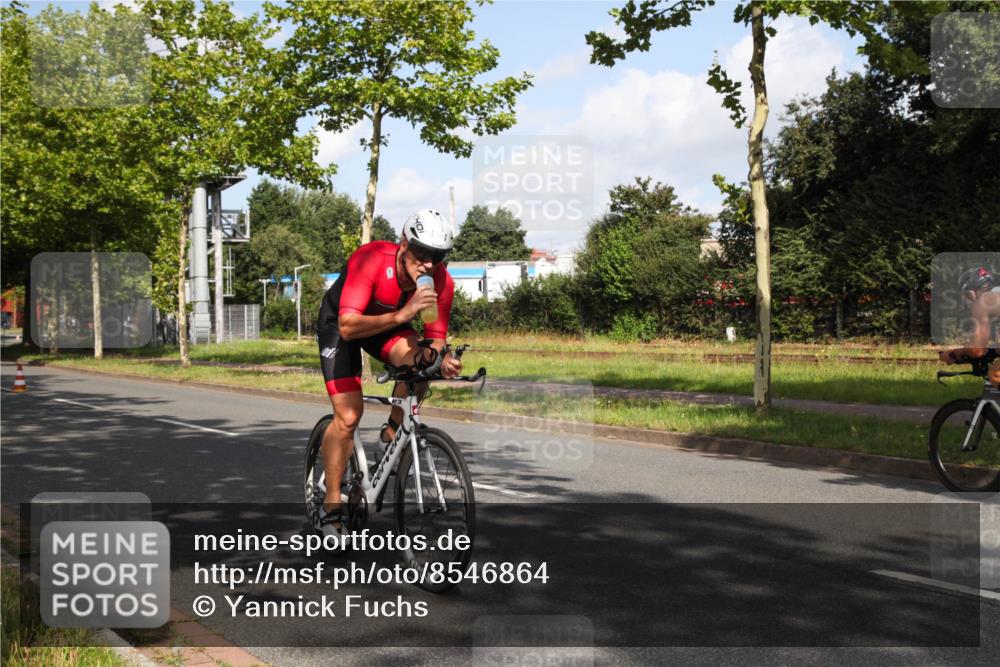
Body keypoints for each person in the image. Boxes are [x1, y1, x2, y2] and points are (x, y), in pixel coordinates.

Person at [315, 209, 462, 536]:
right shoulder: (372, 259)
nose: (427, 263)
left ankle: (391, 434)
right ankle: (331, 503)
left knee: (425, 362)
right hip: (341, 326)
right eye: (422, 253)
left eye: (437, 257)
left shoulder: (439, 281)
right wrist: (405, 313)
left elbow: (435, 341)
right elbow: (349, 326)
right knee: (349, 416)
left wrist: (444, 358)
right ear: (404, 243)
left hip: (385, 326)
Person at [939, 266, 1000, 386]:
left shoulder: (982, 301)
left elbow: (976, 351)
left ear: (971, 292)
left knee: (996, 375)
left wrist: (954, 354)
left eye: (965, 296)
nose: (966, 302)